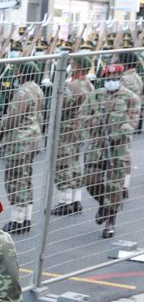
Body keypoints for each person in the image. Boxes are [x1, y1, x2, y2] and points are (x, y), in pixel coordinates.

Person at [84, 63, 140, 239]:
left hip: (118, 148)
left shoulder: (131, 97)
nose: (111, 81)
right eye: (108, 78)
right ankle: (103, 204)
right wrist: (95, 124)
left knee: (114, 186)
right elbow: (82, 115)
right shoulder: (95, 95)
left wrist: (116, 135)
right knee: (90, 181)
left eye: (114, 78)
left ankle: (110, 221)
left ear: (120, 78)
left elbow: (133, 121)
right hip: (96, 146)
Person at [0, 57, 45, 234]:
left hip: (19, 139)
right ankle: (26, 217)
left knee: (15, 178)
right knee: (25, 177)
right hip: (32, 136)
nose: (16, 74)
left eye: (18, 71)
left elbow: (13, 117)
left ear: (22, 73)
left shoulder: (23, 92)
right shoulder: (37, 89)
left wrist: (1, 128)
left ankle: (17, 219)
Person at [50, 54, 95, 216]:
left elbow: (62, 106)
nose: (70, 66)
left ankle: (65, 201)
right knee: (75, 162)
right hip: (81, 129)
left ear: (77, 66)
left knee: (62, 164)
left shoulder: (71, 85)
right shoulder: (89, 85)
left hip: (67, 128)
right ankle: (76, 199)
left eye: (72, 63)